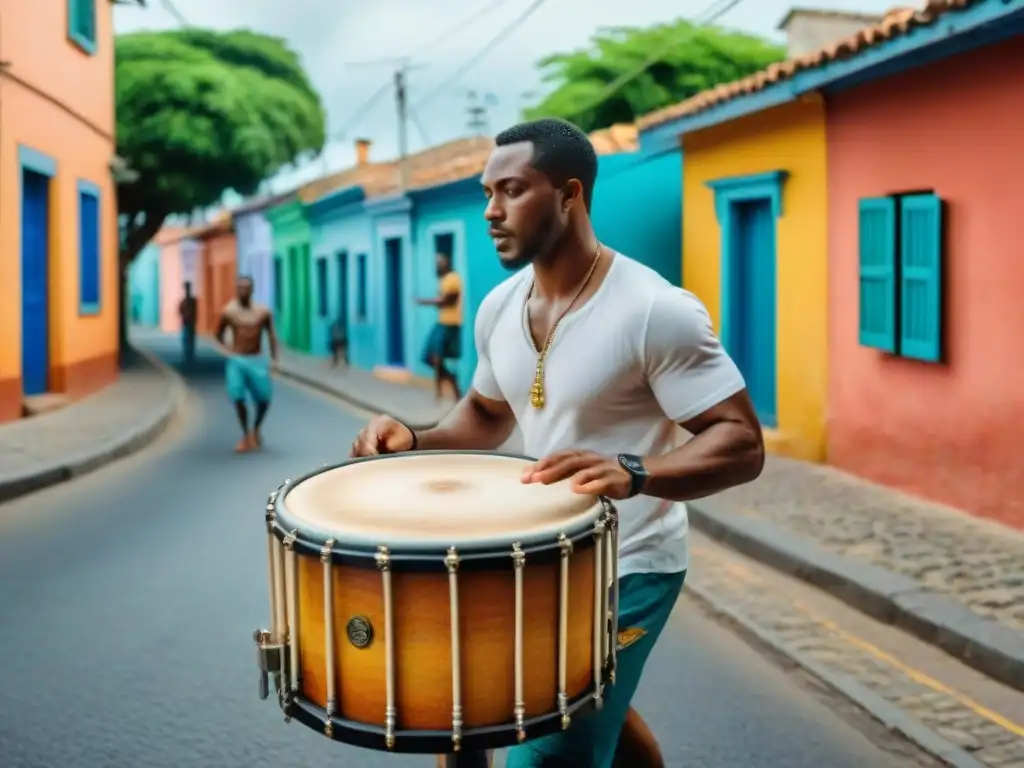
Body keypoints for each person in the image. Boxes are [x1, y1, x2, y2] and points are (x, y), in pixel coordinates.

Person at [352, 118, 765, 768]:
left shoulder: (655, 311)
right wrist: (415, 437)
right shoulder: (498, 308)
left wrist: (636, 471)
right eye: (487, 192)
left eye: (511, 191)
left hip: (628, 564)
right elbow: (487, 416)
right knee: (477, 718)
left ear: (569, 194)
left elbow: (741, 442)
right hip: (534, 564)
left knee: (543, 751)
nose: (491, 211)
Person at [215, 275, 278, 453]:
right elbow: (218, 334)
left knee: (264, 399)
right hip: (237, 359)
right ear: (236, 290)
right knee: (238, 397)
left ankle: (256, 429)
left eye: (247, 287)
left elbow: (271, 335)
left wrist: (274, 360)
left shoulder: (262, 312)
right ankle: (245, 435)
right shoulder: (229, 311)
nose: (243, 291)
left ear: (252, 290)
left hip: (257, 359)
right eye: (240, 287)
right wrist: (227, 349)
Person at [416, 252, 463, 400]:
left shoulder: (453, 279)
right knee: (429, 357)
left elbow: (447, 301)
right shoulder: (443, 280)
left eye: (440, 262)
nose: (438, 265)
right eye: (436, 262)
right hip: (442, 322)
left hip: (450, 324)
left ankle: (448, 389)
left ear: (448, 262)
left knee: (436, 357)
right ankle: (443, 387)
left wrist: (425, 302)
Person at [178, 282, 197, 364]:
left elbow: (194, 312)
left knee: (189, 340)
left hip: (190, 323)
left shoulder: (191, 301)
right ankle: (188, 356)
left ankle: (189, 356)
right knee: (187, 340)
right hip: (186, 323)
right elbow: (180, 310)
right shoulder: (186, 301)